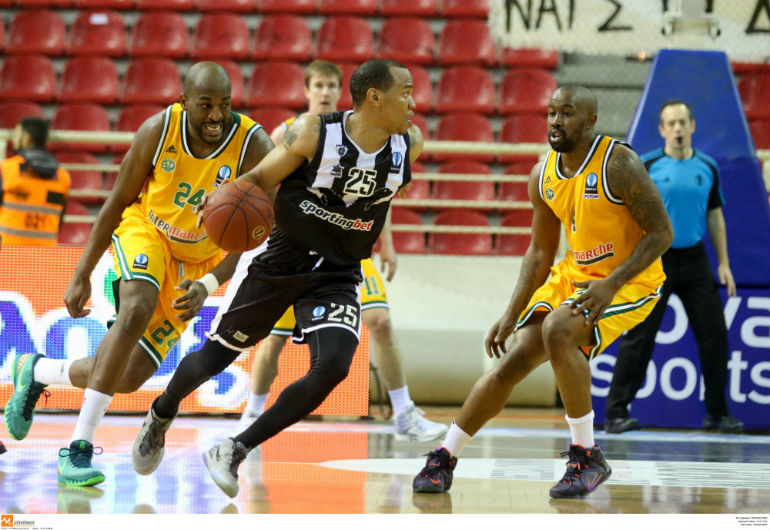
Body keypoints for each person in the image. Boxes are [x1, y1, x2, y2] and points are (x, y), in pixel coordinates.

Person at [131, 59, 423, 498]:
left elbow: (383, 197)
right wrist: (222, 199)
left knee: (334, 366)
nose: (414, 103)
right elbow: (258, 177)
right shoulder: (313, 133)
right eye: (406, 92)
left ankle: (234, 448)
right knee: (217, 355)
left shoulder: (409, 145)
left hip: (338, 272)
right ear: (375, 97)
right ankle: (161, 412)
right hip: (283, 260)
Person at [2, 62, 274, 486]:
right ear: (184, 102)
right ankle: (78, 447)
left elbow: (250, 238)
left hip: (196, 263)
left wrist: (208, 285)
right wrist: (82, 272)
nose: (217, 115)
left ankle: (37, 371)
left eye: (224, 104)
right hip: (146, 231)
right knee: (135, 309)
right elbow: (116, 202)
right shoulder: (158, 130)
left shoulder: (253, 145)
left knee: (127, 378)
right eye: (206, 105)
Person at [412, 86, 674, 498]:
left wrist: (611, 284)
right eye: (552, 112)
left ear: (590, 121)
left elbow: (662, 233)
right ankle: (445, 455)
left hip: (630, 280)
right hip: (575, 274)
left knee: (558, 330)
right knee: (513, 361)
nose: (555, 121)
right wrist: (510, 313)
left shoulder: (618, 164)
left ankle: (586, 455)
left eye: (567, 113)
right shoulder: (542, 174)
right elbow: (539, 252)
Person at [239, 59, 445, 441]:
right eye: (318, 85)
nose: (325, 92)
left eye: (331, 85)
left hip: (348, 250)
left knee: (380, 322)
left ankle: (405, 413)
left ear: (343, 91)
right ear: (306, 90)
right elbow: (263, 186)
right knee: (274, 338)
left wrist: (388, 243)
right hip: (297, 247)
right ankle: (251, 412)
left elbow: (381, 196)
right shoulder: (292, 130)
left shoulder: (374, 133)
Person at [604, 100, 742, 434]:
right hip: (654, 260)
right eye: (671, 123)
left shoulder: (707, 167)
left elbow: (715, 216)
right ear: (662, 130)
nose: (677, 128)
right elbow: (625, 215)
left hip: (695, 260)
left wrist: (724, 263)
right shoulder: (646, 165)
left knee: (714, 336)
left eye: (682, 122)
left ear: (692, 126)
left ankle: (717, 415)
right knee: (639, 336)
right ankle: (616, 413)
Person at [0, 116, 70, 245]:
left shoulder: (6, 169)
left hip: (8, 250)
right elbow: (59, 220)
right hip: (45, 252)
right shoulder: (62, 176)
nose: (13, 139)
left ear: (26, 138)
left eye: (16, 134)